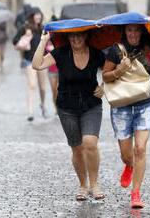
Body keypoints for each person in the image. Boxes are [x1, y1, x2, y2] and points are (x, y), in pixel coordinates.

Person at [102, 24, 150, 208]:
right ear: (124, 32)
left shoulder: (149, 45)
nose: (133, 34)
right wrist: (119, 70)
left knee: (140, 149)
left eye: (136, 30)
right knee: (127, 154)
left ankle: (136, 194)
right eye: (129, 30)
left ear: (142, 32)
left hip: (145, 104)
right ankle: (129, 165)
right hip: (121, 107)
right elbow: (105, 76)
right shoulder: (116, 50)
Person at [32, 30, 105, 201]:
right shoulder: (61, 52)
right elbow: (37, 65)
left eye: (79, 35)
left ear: (86, 36)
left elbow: (111, 68)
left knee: (90, 142)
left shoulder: (95, 53)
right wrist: (43, 41)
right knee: (77, 148)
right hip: (67, 107)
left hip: (91, 105)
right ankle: (83, 185)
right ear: (68, 38)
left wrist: (104, 85)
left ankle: (94, 184)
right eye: (72, 36)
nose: (76, 39)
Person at [13, 7, 48, 121]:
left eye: (39, 14)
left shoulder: (43, 29)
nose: (38, 16)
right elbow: (14, 40)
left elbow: (49, 42)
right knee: (31, 85)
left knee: (42, 87)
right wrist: (25, 39)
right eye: (36, 14)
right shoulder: (25, 28)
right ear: (32, 16)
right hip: (29, 60)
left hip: (42, 61)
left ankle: (42, 104)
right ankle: (30, 112)